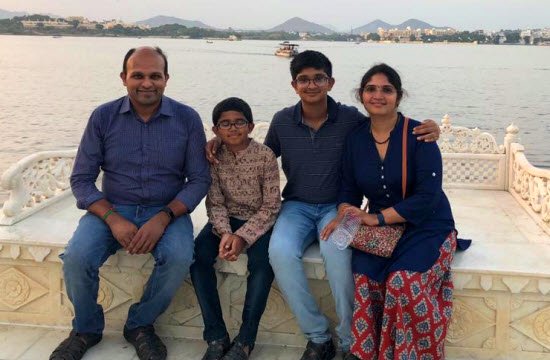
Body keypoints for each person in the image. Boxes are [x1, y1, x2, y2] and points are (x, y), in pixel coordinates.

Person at [206, 50, 440, 360]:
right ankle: (318, 336)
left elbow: (385, 124)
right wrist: (220, 141)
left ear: (330, 82)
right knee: (280, 252)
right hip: (297, 206)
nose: (311, 85)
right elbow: (257, 153)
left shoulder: (351, 119)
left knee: (338, 254)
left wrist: (430, 128)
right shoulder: (282, 121)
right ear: (294, 85)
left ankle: (348, 340)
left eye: (318, 78)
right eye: (304, 79)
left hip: (340, 207)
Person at [49, 46, 211, 360]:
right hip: (113, 208)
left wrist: (163, 217)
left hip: (167, 211)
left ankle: (140, 325)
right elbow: (81, 179)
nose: (146, 83)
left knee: (179, 257)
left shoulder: (187, 118)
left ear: (166, 79)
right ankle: (86, 328)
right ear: (124, 78)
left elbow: (200, 180)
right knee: (77, 258)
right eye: (138, 75)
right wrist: (112, 217)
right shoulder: (103, 116)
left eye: (155, 75)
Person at [321, 63, 469, 360]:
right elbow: (349, 189)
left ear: (398, 96)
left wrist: (374, 218)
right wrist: (344, 213)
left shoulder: (420, 136)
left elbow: (428, 197)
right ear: (361, 95)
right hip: (381, 232)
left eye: (386, 89)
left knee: (404, 281)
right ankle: (367, 351)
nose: (378, 96)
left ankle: (410, 354)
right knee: (365, 278)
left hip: (426, 224)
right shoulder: (356, 139)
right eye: (371, 89)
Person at [191, 97, 281, 360]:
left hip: (259, 222)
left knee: (263, 266)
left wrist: (243, 237)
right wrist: (226, 232)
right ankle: (216, 335)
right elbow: (215, 202)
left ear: (251, 126)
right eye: (225, 124)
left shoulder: (265, 156)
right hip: (225, 222)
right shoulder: (213, 158)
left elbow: (271, 206)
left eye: (239, 122)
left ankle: (245, 340)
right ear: (215, 130)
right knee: (197, 258)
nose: (233, 128)